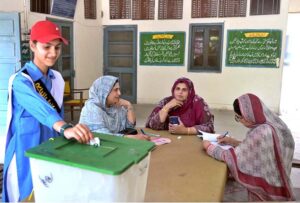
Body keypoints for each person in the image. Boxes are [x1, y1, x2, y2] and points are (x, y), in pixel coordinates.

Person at [2, 20, 94, 202]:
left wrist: (71, 130)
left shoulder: (57, 79)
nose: (53, 53)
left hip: (50, 147)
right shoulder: (20, 81)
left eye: (57, 48)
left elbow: (57, 114)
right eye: (47, 47)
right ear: (33, 45)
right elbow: (41, 109)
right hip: (24, 152)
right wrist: (64, 128)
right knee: (25, 195)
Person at [203, 93, 295, 201]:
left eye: (239, 117)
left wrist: (209, 147)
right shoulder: (277, 125)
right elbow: (259, 147)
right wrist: (232, 141)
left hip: (268, 192)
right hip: (282, 182)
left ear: (248, 116)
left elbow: (233, 158)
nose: (240, 121)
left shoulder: (261, 132)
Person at [79, 75, 149, 140]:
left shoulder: (114, 106)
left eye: (119, 89)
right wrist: (132, 138)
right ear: (104, 92)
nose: (119, 93)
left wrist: (129, 105)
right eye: (115, 90)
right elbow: (102, 136)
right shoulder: (91, 109)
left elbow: (129, 127)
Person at [146, 77, 214, 135]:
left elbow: (209, 127)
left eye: (184, 90)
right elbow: (152, 125)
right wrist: (166, 107)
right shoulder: (166, 101)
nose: (180, 92)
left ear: (190, 92)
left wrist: (186, 131)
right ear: (173, 90)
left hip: (191, 140)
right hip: (169, 139)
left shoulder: (198, 103)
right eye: (177, 89)